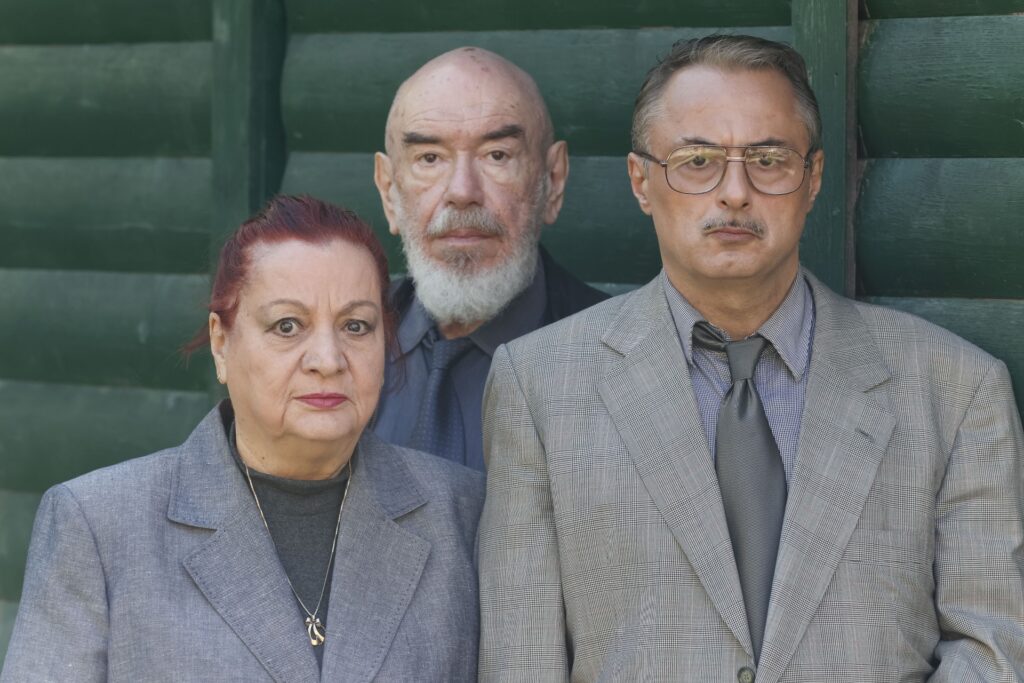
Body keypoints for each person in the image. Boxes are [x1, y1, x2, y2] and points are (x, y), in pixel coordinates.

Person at [478, 35, 1024, 681]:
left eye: (768, 159)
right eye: (697, 160)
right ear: (641, 181)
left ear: (812, 179)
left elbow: (991, 648)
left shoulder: (955, 387)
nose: (734, 192)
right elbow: (522, 660)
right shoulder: (539, 386)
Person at [2, 196, 484, 682]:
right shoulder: (98, 527)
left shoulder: (461, 514)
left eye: (355, 326)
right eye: (287, 326)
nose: (328, 359)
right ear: (221, 343)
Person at [371, 47, 607, 471]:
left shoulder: (619, 360)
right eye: (429, 158)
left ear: (553, 180)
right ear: (389, 191)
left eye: (497, 155)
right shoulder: (342, 349)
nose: (462, 191)